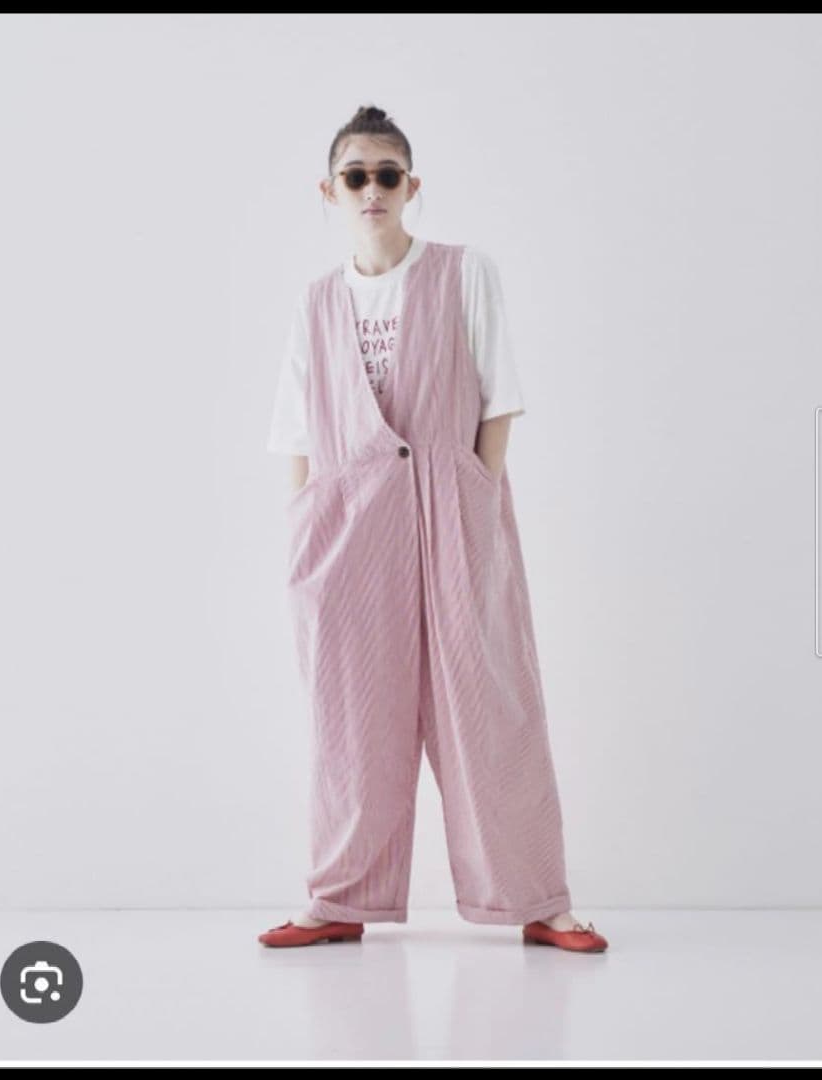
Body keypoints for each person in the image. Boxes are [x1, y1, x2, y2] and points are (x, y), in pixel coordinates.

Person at [260, 105, 608, 954]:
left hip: (452, 509)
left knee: (489, 704)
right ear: (328, 191)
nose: (371, 189)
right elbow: (296, 429)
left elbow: (498, 396)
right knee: (349, 716)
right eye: (354, 176)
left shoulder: (462, 273)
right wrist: (305, 524)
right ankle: (338, 898)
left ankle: (537, 900)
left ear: (411, 185)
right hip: (344, 528)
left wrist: (478, 494)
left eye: (386, 174)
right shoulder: (316, 302)